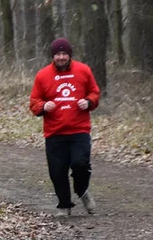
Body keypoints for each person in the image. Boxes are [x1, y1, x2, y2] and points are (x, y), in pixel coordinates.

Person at [30, 38, 101, 217]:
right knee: (57, 170)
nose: (61, 57)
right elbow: (34, 101)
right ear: (53, 56)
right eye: (58, 54)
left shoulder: (83, 70)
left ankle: (82, 191)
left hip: (79, 129)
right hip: (54, 132)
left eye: (64, 54)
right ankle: (64, 204)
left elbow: (95, 92)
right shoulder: (43, 75)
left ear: (70, 55)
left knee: (80, 164)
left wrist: (89, 101)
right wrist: (43, 107)